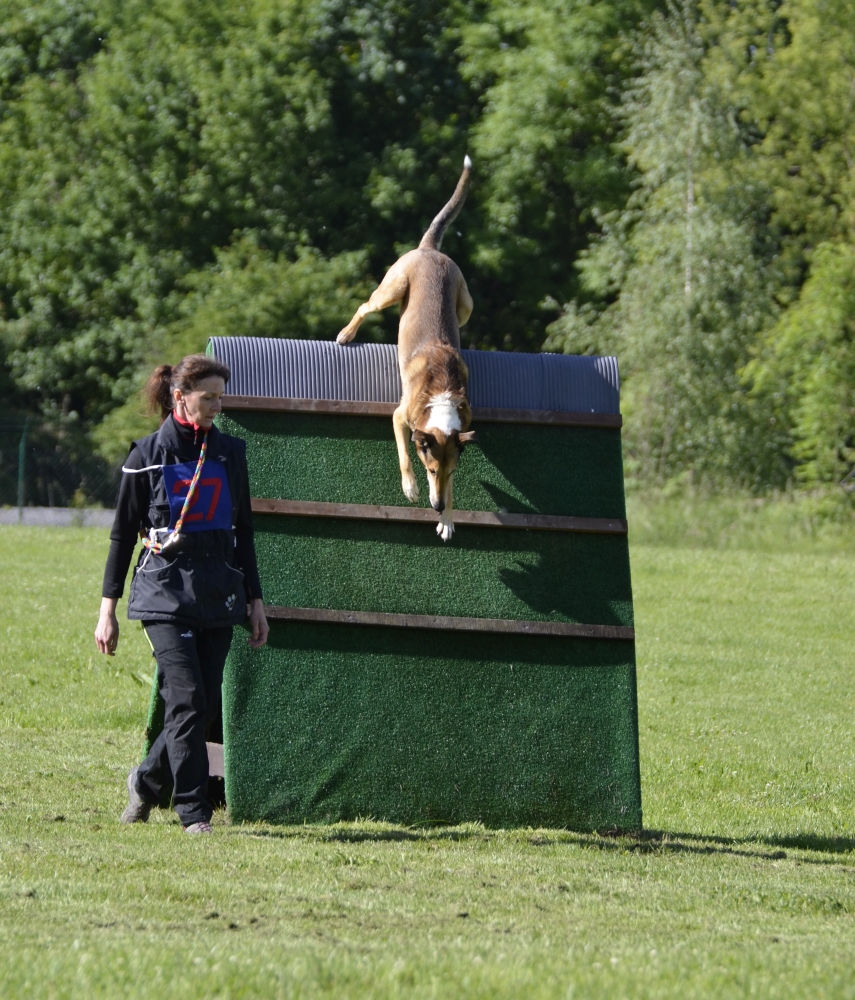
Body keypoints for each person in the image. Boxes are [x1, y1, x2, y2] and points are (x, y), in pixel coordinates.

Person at [94, 354, 269, 834]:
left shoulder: (231, 453)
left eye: (220, 396)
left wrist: (255, 600)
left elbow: (245, 532)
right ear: (180, 397)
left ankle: (147, 782)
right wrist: (106, 610)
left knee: (199, 704)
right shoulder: (145, 455)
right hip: (163, 595)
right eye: (207, 397)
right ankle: (194, 813)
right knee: (189, 698)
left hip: (218, 594)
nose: (216, 405)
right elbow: (120, 535)